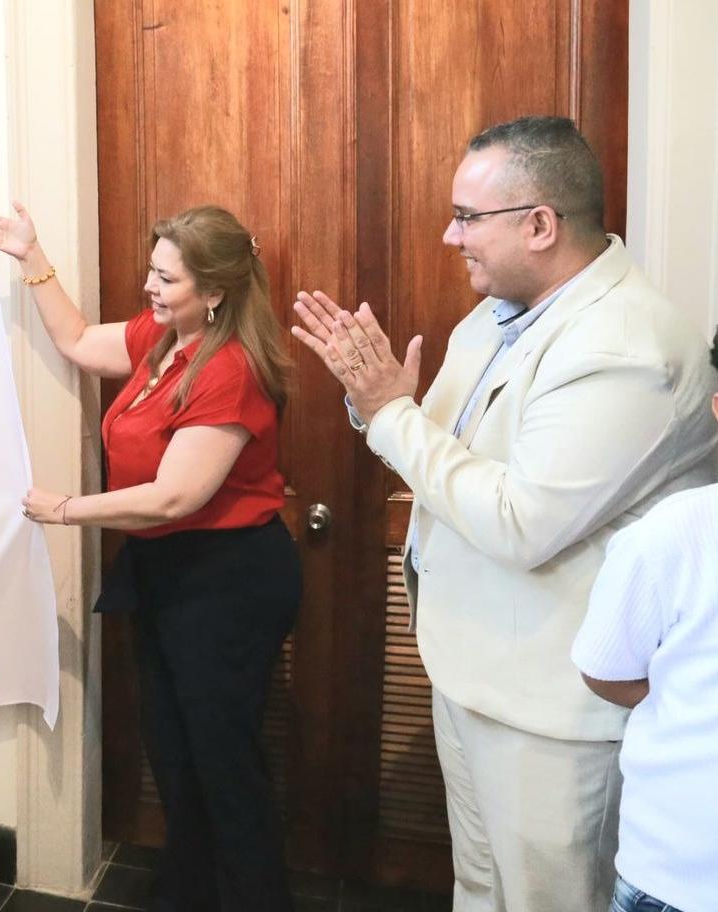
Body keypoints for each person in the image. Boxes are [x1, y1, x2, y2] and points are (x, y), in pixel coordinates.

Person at [292, 115, 718, 911]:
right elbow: (440, 443)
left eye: (466, 216)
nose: (450, 236)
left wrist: (389, 413)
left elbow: (518, 522)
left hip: (552, 709)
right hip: (474, 667)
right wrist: (378, 404)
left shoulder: (626, 346)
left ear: (539, 224)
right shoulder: (497, 311)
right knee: (481, 888)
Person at [0, 202, 302, 911]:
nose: (150, 289)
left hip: (226, 581)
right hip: (166, 575)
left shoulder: (230, 369)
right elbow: (78, 339)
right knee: (177, 755)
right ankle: (189, 895)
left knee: (221, 762)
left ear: (214, 291)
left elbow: (171, 499)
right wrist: (30, 256)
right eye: (150, 272)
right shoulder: (165, 337)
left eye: (167, 279)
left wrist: (63, 510)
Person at [571, 328, 718, 912]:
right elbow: (604, 669)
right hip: (675, 871)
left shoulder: (671, 533)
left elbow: (606, 671)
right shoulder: (669, 535)